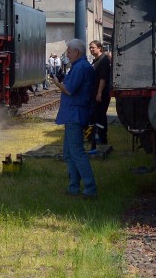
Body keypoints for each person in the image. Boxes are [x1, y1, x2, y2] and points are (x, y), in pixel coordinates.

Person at [55, 38, 97, 198]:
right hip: (73, 113)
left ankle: (90, 188)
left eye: (69, 51)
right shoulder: (81, 66)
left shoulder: (80, 67)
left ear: (76, 52)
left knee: (77, 152)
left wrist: (57, 83)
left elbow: (69, 89)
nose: (67, 54)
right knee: (68, 152)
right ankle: (73, 187)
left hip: (75, 113)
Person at [88, 39, 113, 157]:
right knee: (96, 116)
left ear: (99, 48)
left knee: (100, 116)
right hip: (96, 92)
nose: (91, 49)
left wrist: (99, 93)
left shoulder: (103, 61)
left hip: (101, 94)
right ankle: (98, 137)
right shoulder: (97, 60)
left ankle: (103, 138)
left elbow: (103, 78)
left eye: (93, 47)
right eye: (90, 48)